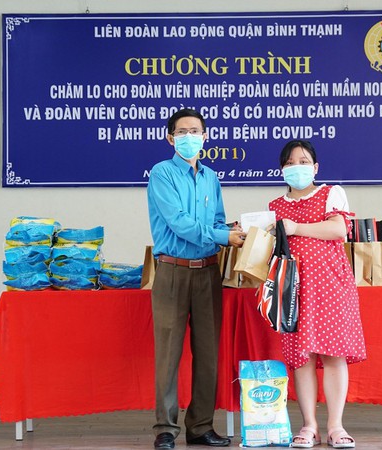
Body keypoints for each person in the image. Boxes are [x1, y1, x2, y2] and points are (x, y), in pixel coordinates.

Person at [147, 108, 245, 450]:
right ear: (170, 138)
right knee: (168, 354)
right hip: (172, 272)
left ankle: (201, 426)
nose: (189, 137)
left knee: (208, 353)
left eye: (195, 131)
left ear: (205, 137)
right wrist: (221, 235)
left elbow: (216, 221)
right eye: (182, 132)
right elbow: (179, 222)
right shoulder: (161, 173)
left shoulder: (211, 177)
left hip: (208, 272)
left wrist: (231, 230)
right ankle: (165, 429)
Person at [266, 140, 366, 449]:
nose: (297, 167)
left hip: (330, 286)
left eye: (303, 161)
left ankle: (336, 426)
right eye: (290, 162)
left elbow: (338, 230)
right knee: (302, 359)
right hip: (293, 291)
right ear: (282, 170)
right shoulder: (274, 206)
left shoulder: (330, 193)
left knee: (334, 355)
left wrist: (295, 227)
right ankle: (309, 425)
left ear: (316, 167)